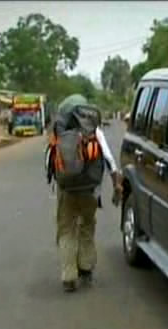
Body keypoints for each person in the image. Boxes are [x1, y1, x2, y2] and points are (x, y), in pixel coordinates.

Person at [50, 106, 123, 293]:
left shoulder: (59, 131)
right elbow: (109, 159)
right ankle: (86, 269)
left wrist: (55, 184)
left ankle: (69, 277)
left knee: (66, 230)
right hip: (90, 190)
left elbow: (49, 162)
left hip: (66, 190)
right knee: (87, 227)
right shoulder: (94, 131)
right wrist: (116, 184)